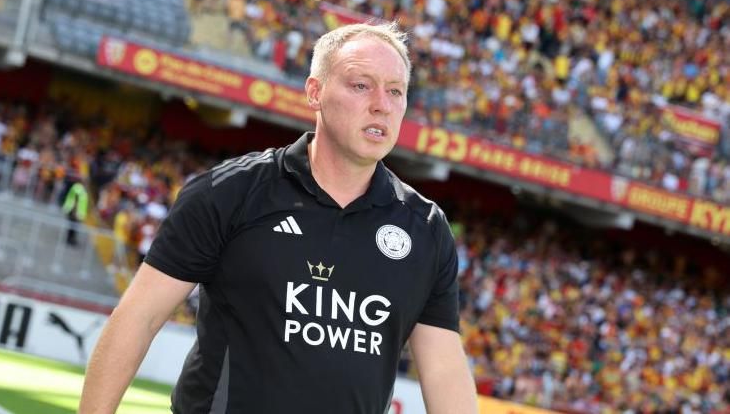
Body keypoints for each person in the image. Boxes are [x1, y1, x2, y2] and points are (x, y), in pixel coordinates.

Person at [79, 22, 478, 414]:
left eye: (396, 91)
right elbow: (139, 318)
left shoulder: (425, 227)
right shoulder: (231, 192)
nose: (382, 104)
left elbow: (443, 370)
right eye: (361, 85)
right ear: (314, 92)